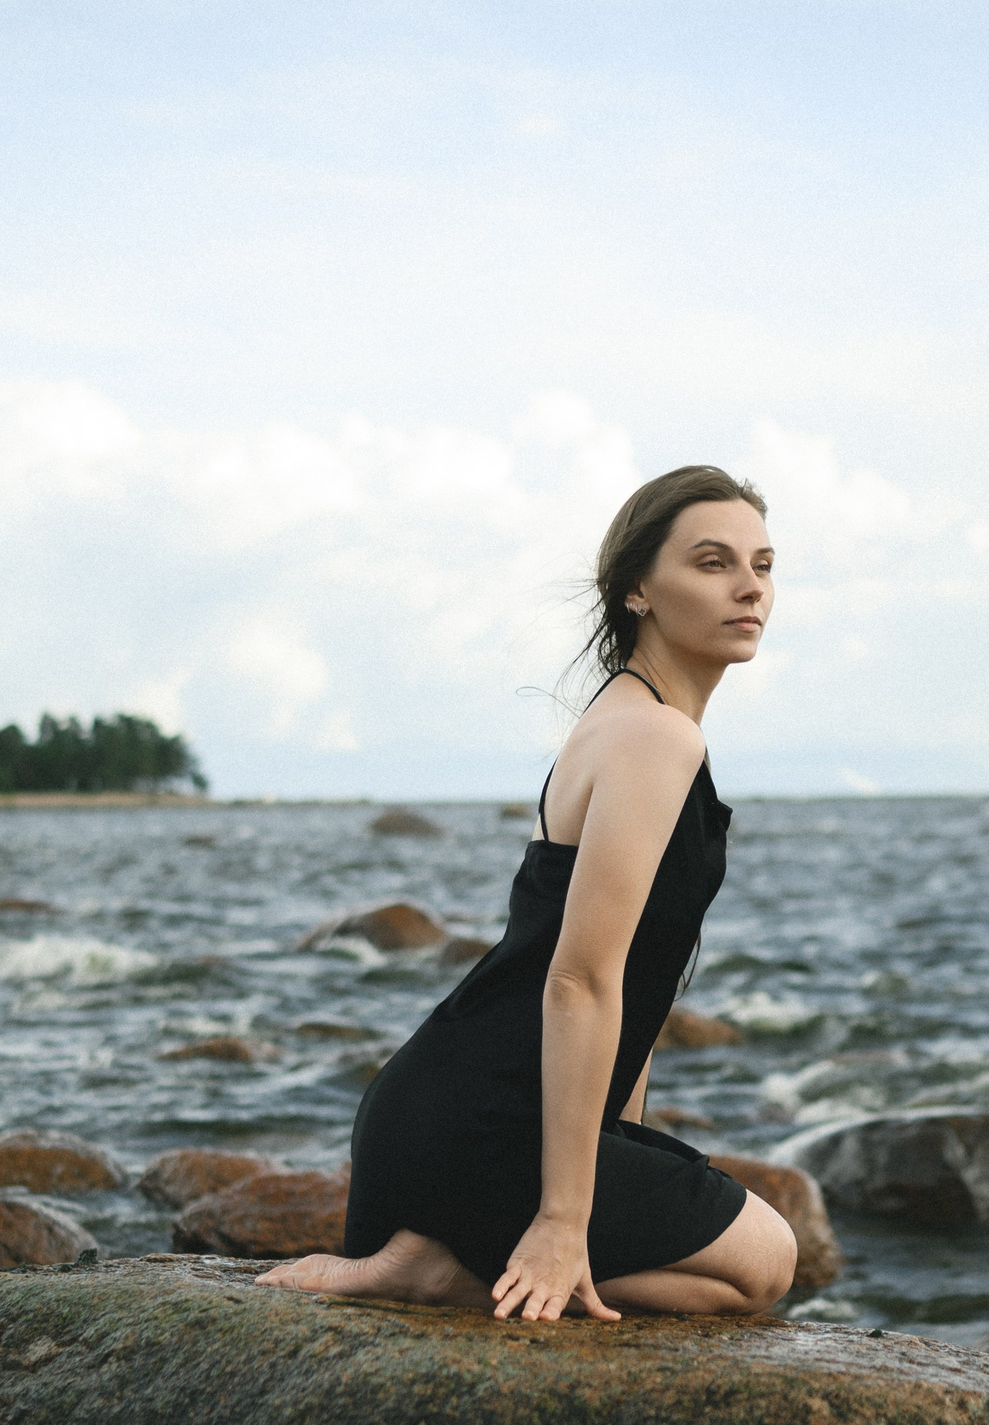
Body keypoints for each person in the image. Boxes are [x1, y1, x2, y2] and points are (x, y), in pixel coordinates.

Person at [259, 466, 799, 1321]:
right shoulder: (653, 735)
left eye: (763, 565)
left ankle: (443, 1259)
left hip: (444, 1116)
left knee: (741, 1270)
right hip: (483, 1129)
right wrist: (562, 1220)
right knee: (765, 1264)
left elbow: (637, 977)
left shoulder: (627, 717)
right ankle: (447, 1272)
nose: (749, 588)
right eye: (711, 562)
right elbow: (580, 980)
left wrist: (616, 1154)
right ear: (636, 593)